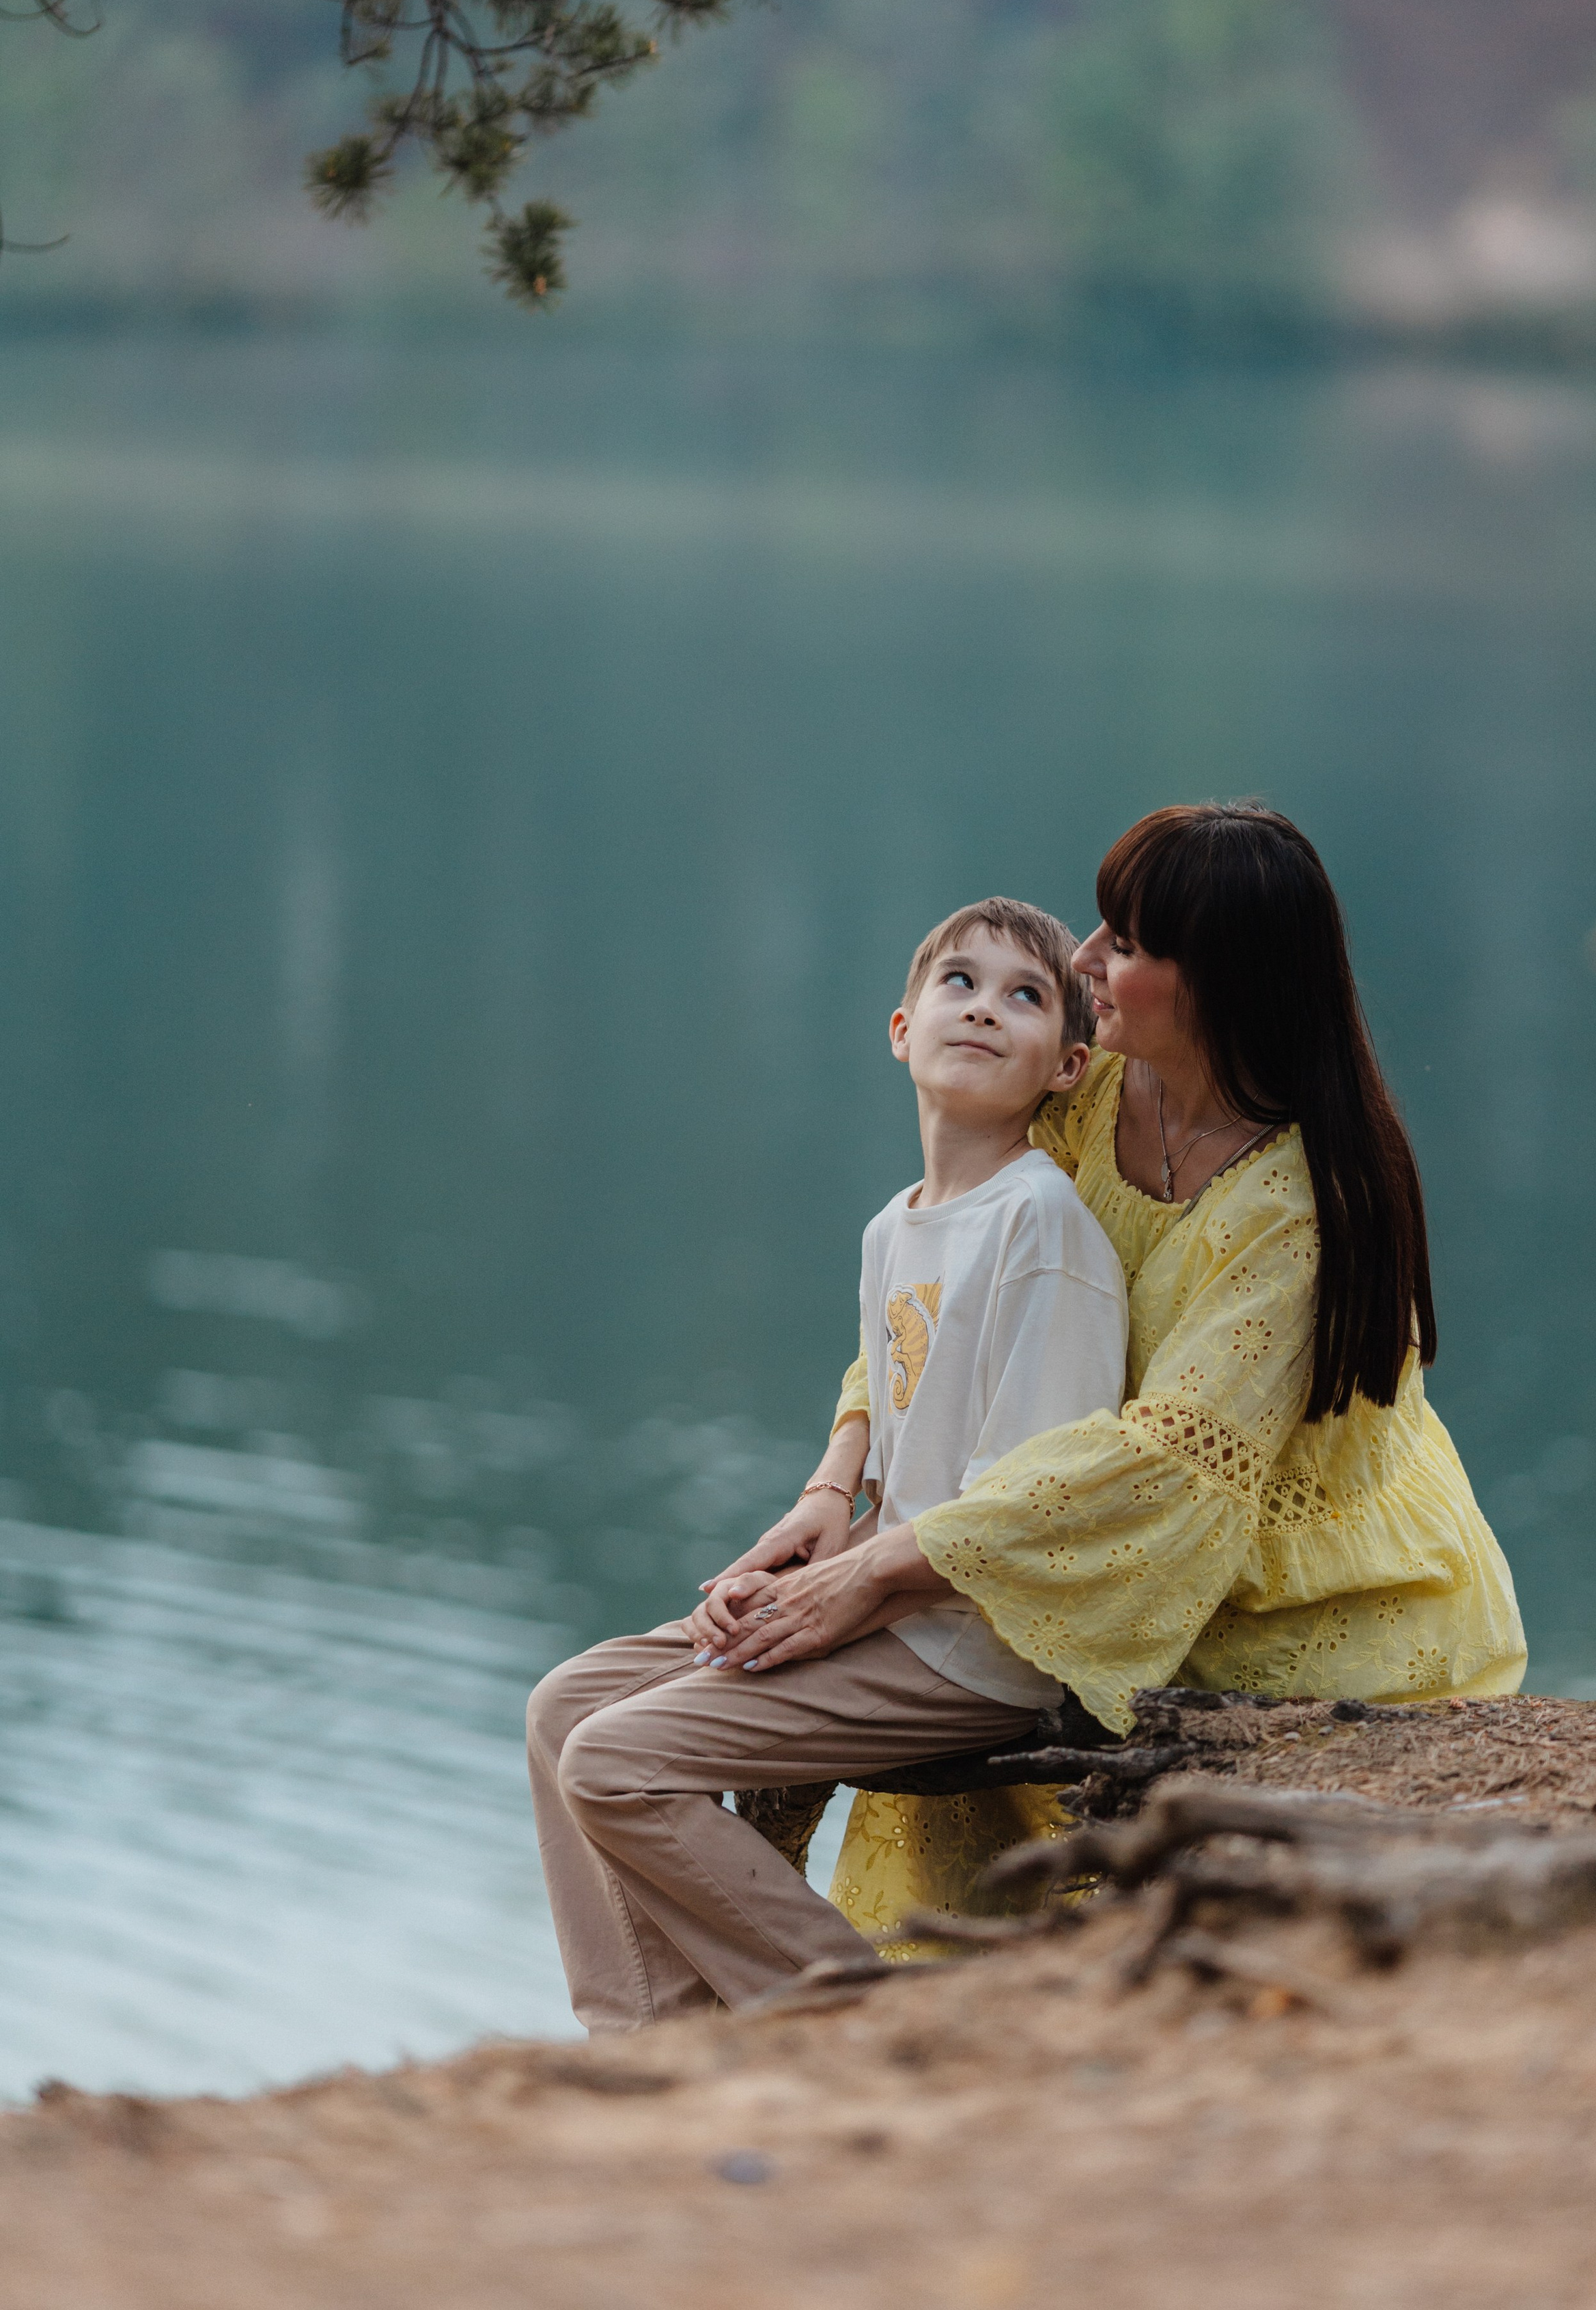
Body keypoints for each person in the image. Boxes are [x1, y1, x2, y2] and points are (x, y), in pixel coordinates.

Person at [744, 804, 1528, 1941]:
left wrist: (890, 1566)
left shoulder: (1301, 1210)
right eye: (1101, 926)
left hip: (1296, 1606)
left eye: (1127, 943)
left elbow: (1170, 1458)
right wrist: (839, 1487)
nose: (1081, 961)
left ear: (1222, 985)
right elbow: (940, 1283)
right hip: (1080, 1532)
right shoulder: (1091, 1091)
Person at [526, 898, 1129, 2029]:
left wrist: (835, 1599)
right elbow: (906, 1460)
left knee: (618, 1763)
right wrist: (814, 1545)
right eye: (960, 983)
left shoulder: (1040, 1228)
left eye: (1027, 997)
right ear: (901, 1028)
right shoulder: (894, 1230)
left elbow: (1025, 1516)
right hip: (885, 1601)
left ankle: (859, 2025)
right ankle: (654, 2046)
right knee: (566, 1707)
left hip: (975, 1643)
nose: (986, 1011)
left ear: (1069, 1067)